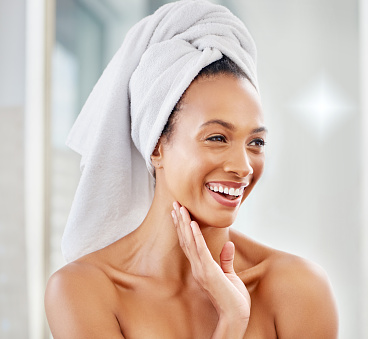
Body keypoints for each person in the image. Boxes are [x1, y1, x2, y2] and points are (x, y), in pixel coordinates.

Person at [45, 1, 338, 338]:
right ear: (157, 145)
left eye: (255, 142)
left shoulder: (298, 289)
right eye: (217, 137)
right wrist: (231, 322)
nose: (243, 167)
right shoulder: (84, 291)